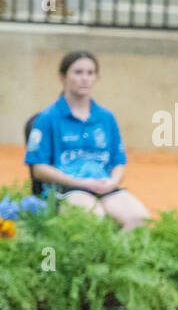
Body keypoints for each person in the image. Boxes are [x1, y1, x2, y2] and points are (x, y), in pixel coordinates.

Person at [24, 51, 151, 231]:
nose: (85, 78)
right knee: (94, 218)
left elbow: (118, 162)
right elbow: (38, 169)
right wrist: (80, 182)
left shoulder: (106, 117)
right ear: (63, 77)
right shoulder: (47, 117)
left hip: (103, 185)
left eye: (90, 73)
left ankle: (115, 257)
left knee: (139, 219)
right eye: (78, 72)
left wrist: (112, 182)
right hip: (66, 188)